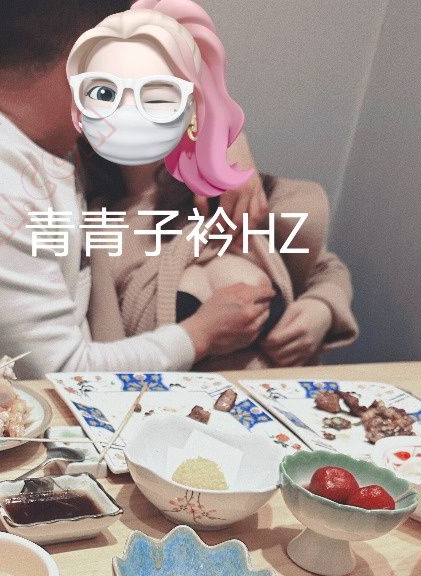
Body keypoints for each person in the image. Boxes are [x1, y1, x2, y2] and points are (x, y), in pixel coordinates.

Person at [0, 0, 273, 377]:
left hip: (19, 407)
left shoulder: (54, 143)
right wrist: (200, 334)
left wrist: (226, 138)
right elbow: (59, 371)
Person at [72, 0, 358, 368]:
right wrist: (201, 331)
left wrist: (322, 310)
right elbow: (102, 367)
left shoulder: (230, 185)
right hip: (172, 401)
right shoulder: (96, 221)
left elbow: (326, 268)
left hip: (287, 396)